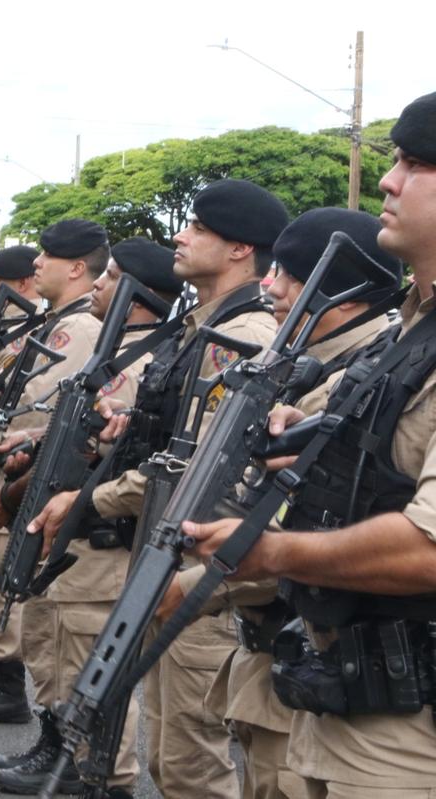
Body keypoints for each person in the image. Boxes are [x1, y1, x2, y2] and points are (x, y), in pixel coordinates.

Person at [185, 91, 436, 799]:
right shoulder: (412, 333)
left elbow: (430, 545)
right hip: (351, 697)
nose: (387, 181)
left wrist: (267, 551)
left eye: (416, 164)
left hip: (409, 733)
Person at [22, 179, 287, 798]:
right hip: (166, 549)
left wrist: (93, 499)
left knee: (191, 760)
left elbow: (198, 462)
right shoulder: (202, 326)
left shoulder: (241, 337)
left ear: (240, 249)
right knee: (173, 757)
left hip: (200, 559)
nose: (180, 234)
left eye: (197, 227)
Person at [0, 237, 183, 796]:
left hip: (105, 534)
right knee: (54, 649)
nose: (97, 284)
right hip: (70, 525)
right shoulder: (117, 350)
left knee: (87, 657)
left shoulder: (146, 357)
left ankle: (96, 772)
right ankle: (62, 750)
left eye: (111, 277)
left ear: (137, 295)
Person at [0, 221, 108, 726]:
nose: (36, 264)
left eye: (48, 256)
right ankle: (2, 679)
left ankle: (11, 689)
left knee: (13, 588)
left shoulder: (79, 328)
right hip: (10, 470)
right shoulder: (55, 322)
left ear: (77, 267)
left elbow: (46, 418)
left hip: (25, 477)